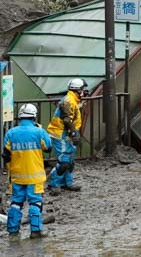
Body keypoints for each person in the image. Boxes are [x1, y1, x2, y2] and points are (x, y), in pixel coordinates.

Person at [3, 104, 52, 238]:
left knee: (16, 203)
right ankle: (36, 231)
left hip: (17, 176)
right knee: (35, 202)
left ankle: (12, 231)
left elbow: (6, 155)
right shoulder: (39, 132)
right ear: (34, 117)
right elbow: (48, 147)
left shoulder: (11, 133)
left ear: (20, 117)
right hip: (34, 176)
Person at [46, 77, 87, 194]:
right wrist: (74, 133)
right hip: (61, 133)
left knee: (70, 160)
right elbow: (67, 120)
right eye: (83, 89)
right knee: (64, 161)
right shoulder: (68, 101)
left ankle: (67, 182)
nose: (84, 92)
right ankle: (53, 184)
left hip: (66, 132)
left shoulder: (71, 100)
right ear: (78, 90)